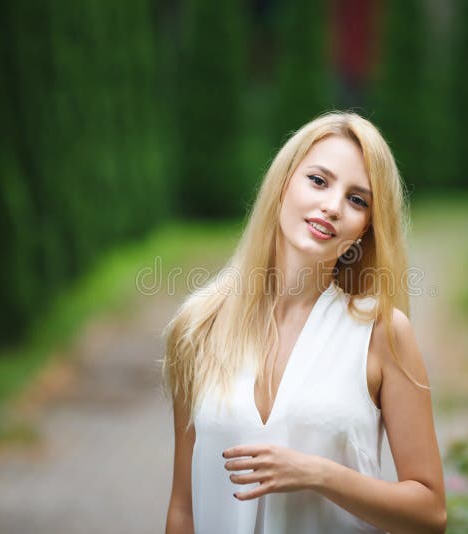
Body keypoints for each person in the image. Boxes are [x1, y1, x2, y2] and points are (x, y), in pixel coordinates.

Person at [162, 111, 446, 533]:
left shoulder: (381, 333)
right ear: (283, 184)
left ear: (367, 227)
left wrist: (321, 474)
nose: (332, 206)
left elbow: (431, 514)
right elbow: (183, 509)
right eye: (318, 180)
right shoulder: (199, 326)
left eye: (357, 199)